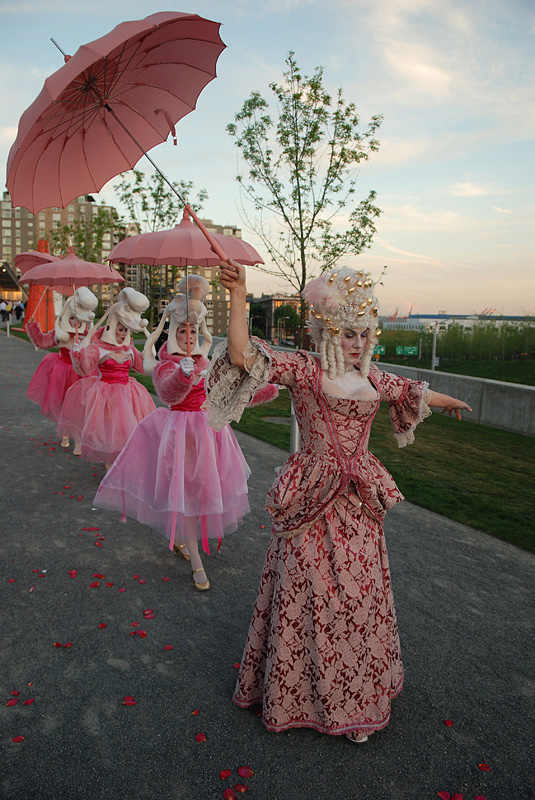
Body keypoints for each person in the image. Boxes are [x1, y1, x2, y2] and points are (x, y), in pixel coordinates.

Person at [206, 261, 472, 742]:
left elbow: (416, 393)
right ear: (325, 330)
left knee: (358, 596)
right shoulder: (305, 371)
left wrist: (451, 403)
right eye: (347, 334)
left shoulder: (375, 380)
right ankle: (297, 695)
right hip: (311, 495)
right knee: (308, 593)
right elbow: (244, 356)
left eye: (364, 334)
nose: (357, 344)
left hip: (358, 504)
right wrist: (240, 294)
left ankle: (355, 699)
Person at [94, 276, 275, 590]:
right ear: (173, 333)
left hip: (209, 435)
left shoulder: (210, 362)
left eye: (193, 330)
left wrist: (264, 388)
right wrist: (181, 375)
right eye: (182, 331)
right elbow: (167, 392)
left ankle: (183, 540)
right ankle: (195, 558)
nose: (189, 336)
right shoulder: (168, 363)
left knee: (199, 492)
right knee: (187, 495)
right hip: (179, 434)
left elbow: (229, 394)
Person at [57, 287, 156, 468]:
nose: (124, 334)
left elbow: (143, 368)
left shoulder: (129, 349)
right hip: (106, 395)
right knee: (110, 430)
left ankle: (122, 461)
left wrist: (150, 355)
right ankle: (112, 461)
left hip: (129, 394)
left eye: (126, 330)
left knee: (128, 430)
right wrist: (78, 354)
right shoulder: (99, 348)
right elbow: (84, 368)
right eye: (120, 329)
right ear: (112, 327)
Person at [26, 288, 98, 439]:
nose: (75, 322)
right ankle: (66, 432)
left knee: (79, 405)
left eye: (78, 319)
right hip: (62, 374)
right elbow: (42, 342)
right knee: (65, 404)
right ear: (66, 316)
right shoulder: (60, 333)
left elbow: (97, 352)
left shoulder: (88, 335)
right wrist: (33, 328)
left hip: (82, 375)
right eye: (72, 318)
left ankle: (77, 435)